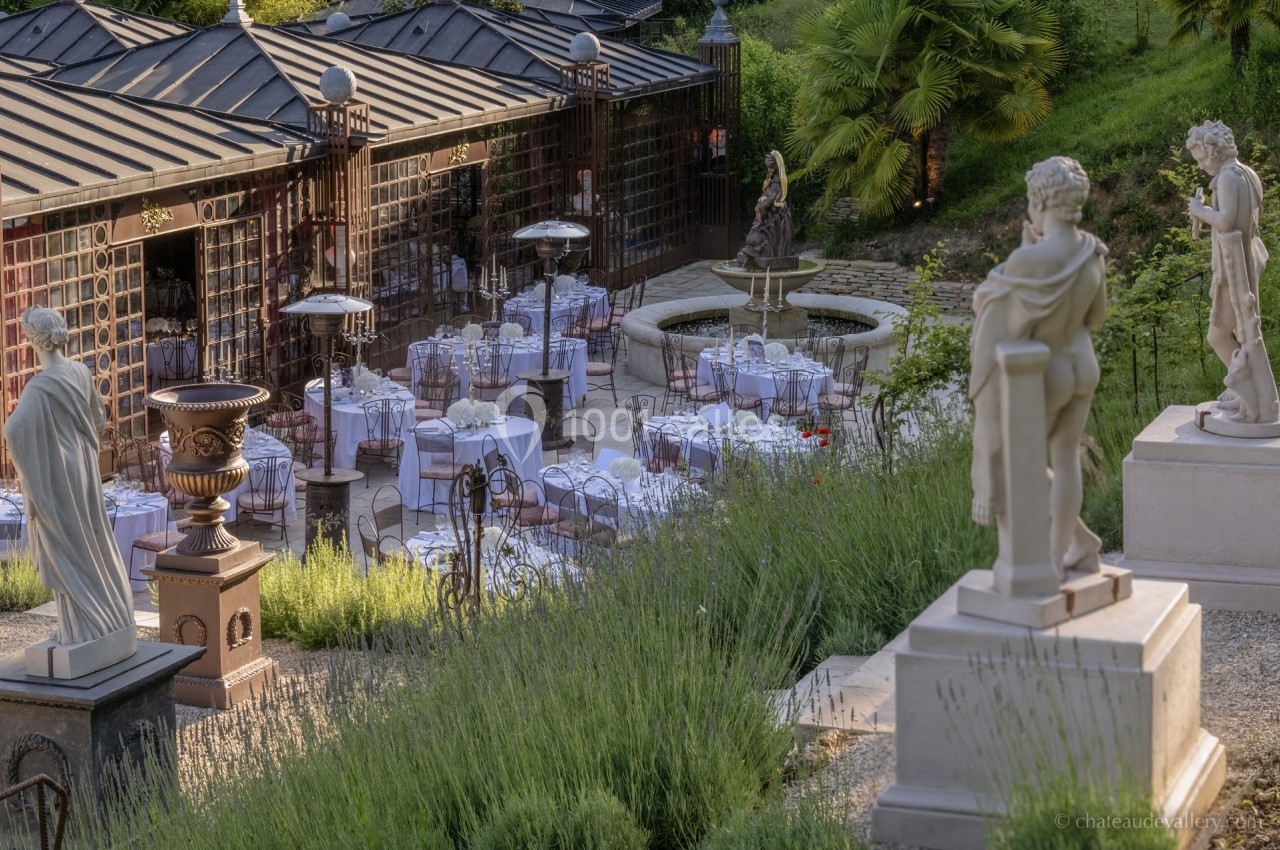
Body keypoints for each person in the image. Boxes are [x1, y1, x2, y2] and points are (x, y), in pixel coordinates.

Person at [969, 157, 1106, 576]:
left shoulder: (1027, 261)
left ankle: (1047, 560)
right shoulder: (1092, 251)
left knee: (1015, 457)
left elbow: (986, 304)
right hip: (1082, 364)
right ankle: (1075, 547)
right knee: (1064, 460)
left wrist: (1027, 254)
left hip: (1046, 374)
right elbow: (1096, 318)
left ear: (1040, 198)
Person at [3, 308, 134, 649]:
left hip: (59, 473)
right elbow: (99, 419)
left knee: (66, 546)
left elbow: (13, 431)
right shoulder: (79, 371)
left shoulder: (39, 387)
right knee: (91, 539)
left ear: (32, 340)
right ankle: (99, 622)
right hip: (84, 468)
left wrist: (43, 450)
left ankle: (86, 627)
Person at [1186, 120, 1278, 424]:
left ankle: (1247, 392)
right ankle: (1252, 394)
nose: (1201, 166)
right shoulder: (1247, 173)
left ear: (1215, 151)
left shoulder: (1227, 178)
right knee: (1244, 331)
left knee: (1219, 334)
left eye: (1201, 158)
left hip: (1233, 265)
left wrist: (1198, 210)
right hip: (1246, 256)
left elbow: (1225, 221)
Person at [736, 150, 794, 268]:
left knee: (760, 208)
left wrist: (777, 200)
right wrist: (766, 191)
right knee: (757, 208)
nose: (769, 170)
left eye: (771, 167)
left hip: (774, 196)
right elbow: (767, 188)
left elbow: (782, 190)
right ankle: (759, 224)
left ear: (777, 165)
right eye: (768, 167)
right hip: (769, 195)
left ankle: (760, 231)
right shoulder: (771, 176)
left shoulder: (781, 177)